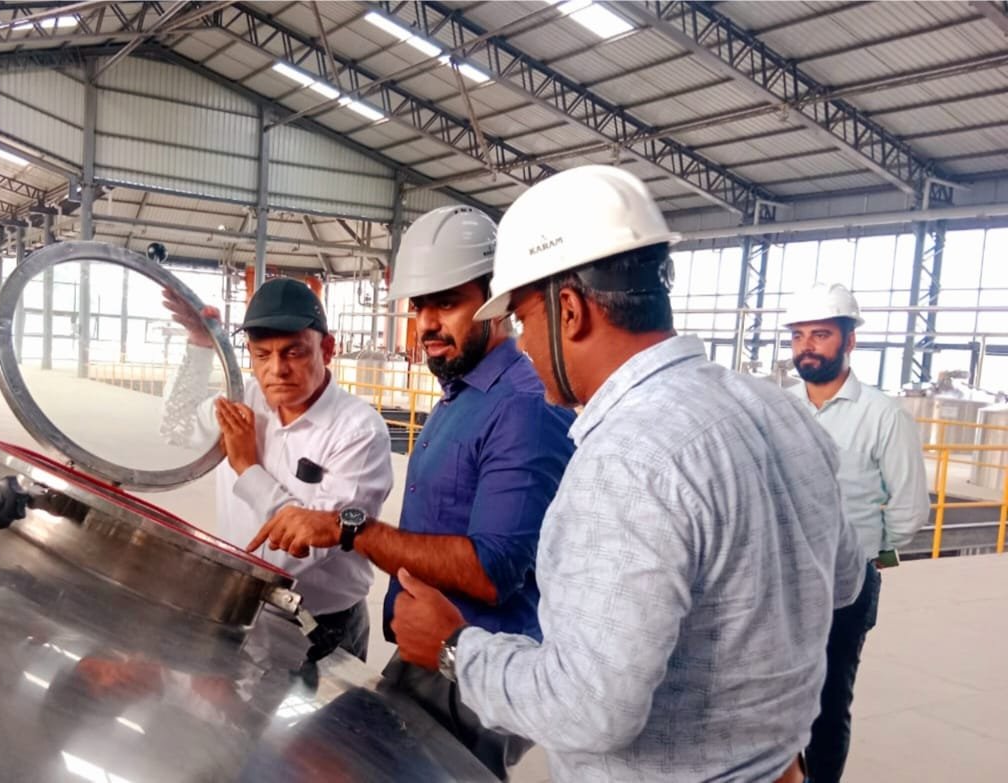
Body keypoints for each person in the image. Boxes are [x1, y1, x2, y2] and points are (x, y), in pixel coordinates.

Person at [387, 165, 864, 782]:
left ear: (569, 310)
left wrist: (455, 649)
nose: (524, 345)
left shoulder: (627, 458)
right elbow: (844, 582)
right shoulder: (778, 410)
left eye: (525, 321)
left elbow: (589, 709)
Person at [246, 206, 574, 779]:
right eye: (420, 306)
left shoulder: (521, 407)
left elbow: (493, 570)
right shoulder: (461, 396)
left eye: (447, 303)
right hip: (428, 651)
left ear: (497, 302)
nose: (427, 324)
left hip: (477, 668)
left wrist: (349, 529)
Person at [161, 278, 393, 661]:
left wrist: (247, 467)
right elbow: (176, 426)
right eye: (262, 355)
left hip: (321, 624)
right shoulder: (243, 400)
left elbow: (306, 548)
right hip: (239, 608)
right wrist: (200, 345)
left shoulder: (359, 431)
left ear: (327, 349)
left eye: (293, 352)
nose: (277, 370)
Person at [783, 283, 929, 783]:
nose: (806, 347)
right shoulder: (779, 408)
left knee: (827, 705)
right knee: (773, 700)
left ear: (849, 341)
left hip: (845, 586)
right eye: (798, 336)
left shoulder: (883, 415)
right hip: (781, 581)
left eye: (820, 335)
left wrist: (870, 555)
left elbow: (909, 510)